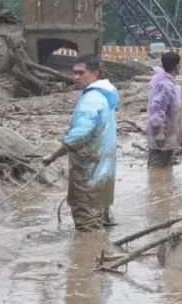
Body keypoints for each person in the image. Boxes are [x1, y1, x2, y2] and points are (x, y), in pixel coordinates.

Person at [42, 55, 119, 231]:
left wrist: (53, 156)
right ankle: (104, 245)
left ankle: (89, 248)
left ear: (95, 74)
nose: (76, 77)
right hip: (104, 163)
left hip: (88, 165)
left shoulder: (91, 99)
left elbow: (78, 136)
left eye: (81, 73)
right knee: (101, 211)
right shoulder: (105, 95)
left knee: (86, 220)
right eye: (74, 73)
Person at [146, 51, 182, 169]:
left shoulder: (170, 84)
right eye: (179, 64)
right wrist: (159, 131)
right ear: (176, 67)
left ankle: (164, 182)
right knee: (155, 167)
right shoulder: (165, 85)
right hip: (162, 135)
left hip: (169, 134)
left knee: (166, 168)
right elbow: (157, 108)